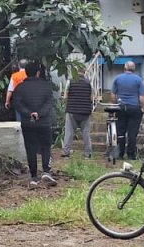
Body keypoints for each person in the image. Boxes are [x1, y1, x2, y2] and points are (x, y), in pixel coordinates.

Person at [13, 60, 57, 188]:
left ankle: (33, 177)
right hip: (43, 123)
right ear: (38, 73)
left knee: (31, 148)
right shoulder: (46, 86)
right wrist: (39, 113)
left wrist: (29, 113)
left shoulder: (19, 88)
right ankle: (46, 171)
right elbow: (49, 104)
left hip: (27, 123)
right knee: (45, 146)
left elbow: (17, 105)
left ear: (26, 73)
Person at [111, 61, 144, 159]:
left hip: (121, 107)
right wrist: (142, 107)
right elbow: (141, 96)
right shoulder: (138, 79)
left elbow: (113, 95)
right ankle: (131, 154)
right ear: (134, 69)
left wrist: (116, 104)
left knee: (120, 131)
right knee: (132, 132)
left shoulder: (117, 78)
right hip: (134, 107)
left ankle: (120, 153)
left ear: (124, 68)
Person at [62, 67, 95, 158]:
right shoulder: (89, 83)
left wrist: (68, 105)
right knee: (86, 133)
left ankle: (66, 152)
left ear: (75, 72)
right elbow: (92, 98)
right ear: (84, 72)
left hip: (72, 111)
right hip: (85, 112)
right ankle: (87, 153)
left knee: (69, 132)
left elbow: (65, 97)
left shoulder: (70, 82)